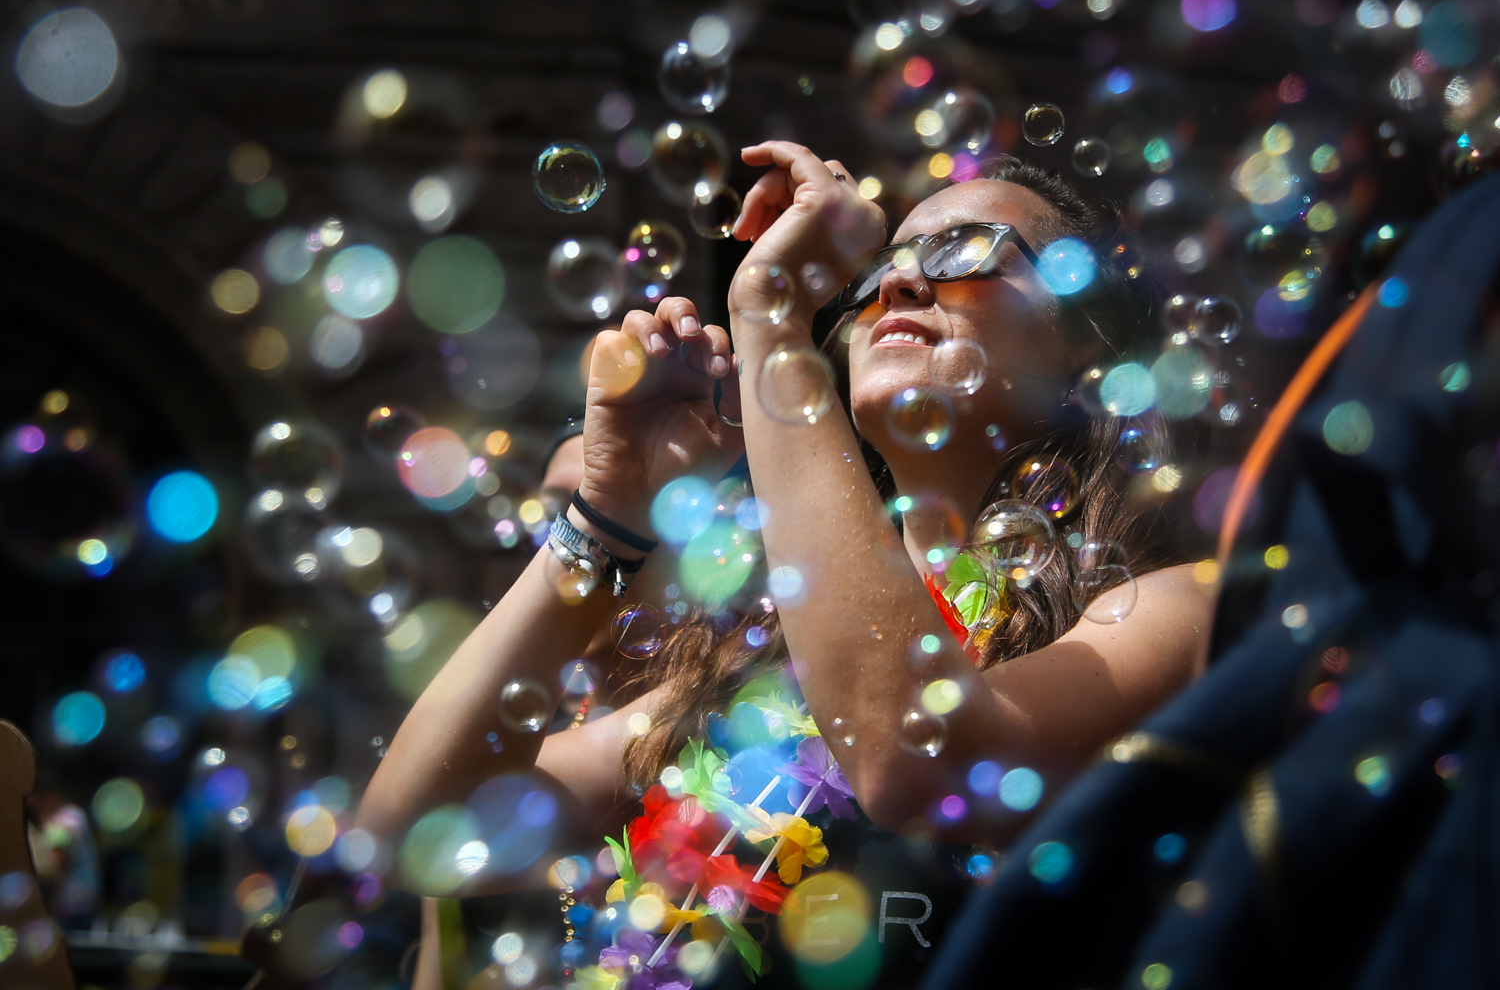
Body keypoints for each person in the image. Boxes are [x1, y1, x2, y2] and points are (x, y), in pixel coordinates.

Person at [358, 143, 1216, 982]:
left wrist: (770, 315)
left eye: (964, 249)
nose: (901, 285)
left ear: (1087, 345)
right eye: (878, 268)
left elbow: (911, 754)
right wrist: (609, 513)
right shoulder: (759, 662)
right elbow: (416, 828)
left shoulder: (1176, 613)